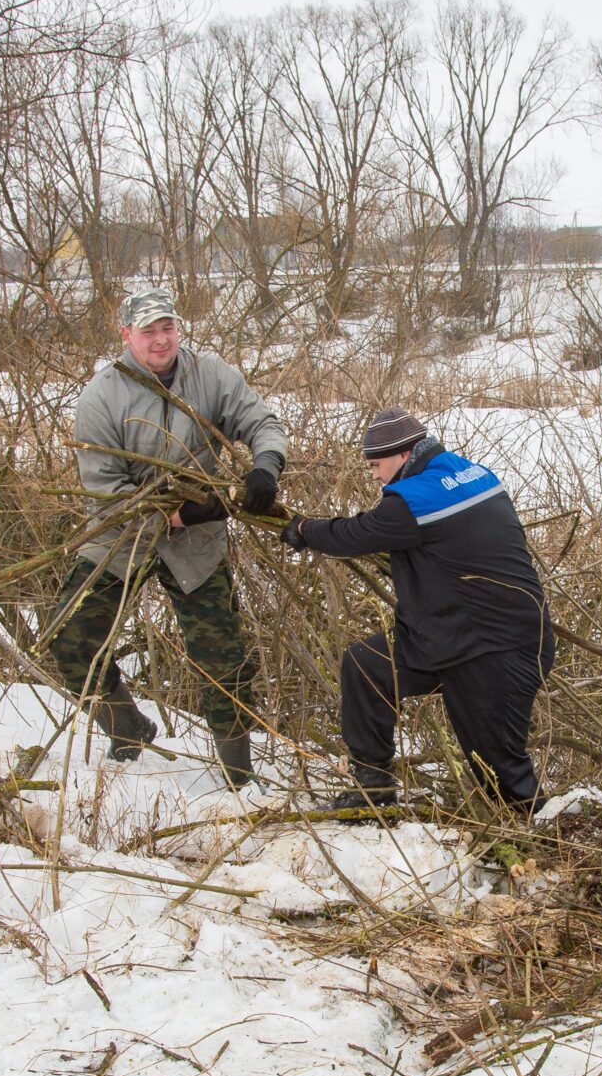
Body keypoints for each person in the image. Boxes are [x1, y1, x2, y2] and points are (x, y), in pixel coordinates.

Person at [48, 286, 288, 786]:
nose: (161, 340)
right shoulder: (101, 396)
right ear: (126, 335)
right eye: (148, 331)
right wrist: (174, 516)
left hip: (197, 542)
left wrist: (266, 466)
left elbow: (261, 420)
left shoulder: (209, 374)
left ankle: (239, 778)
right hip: (121, 538)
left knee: (221, 657)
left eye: (168, 328)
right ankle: (128, 729)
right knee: (70, 636)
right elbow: (107, 492)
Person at [280, 407, 554, 813]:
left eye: (376, 464)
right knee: (367, 665)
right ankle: (373, 790)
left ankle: (552, 849)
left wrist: (303, 529)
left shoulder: (412, 501)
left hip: (495, 650)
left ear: (404, 454)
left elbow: (354, 534)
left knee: (500, 773)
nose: (373, 475)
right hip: (448, 636)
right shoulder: (474, 473)